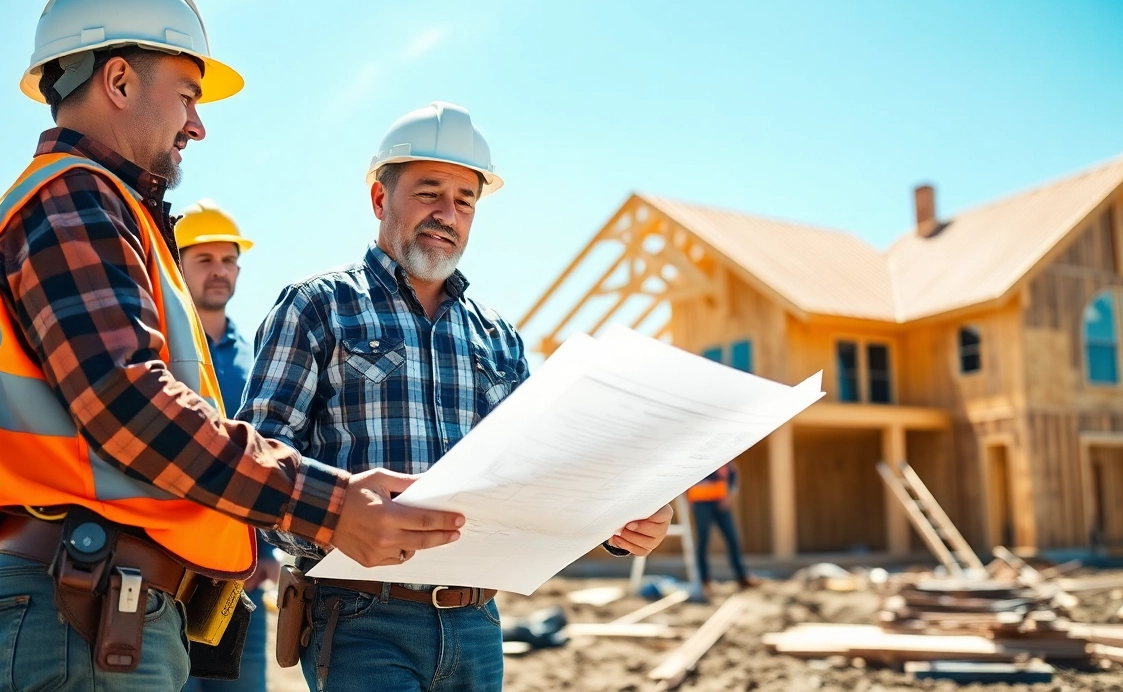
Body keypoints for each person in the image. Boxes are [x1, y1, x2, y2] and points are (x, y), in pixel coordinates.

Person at [0, 0, 461, 691]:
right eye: (188, 96)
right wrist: (332, 505)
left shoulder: (111, 213)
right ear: (120, 80)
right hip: (85, 599)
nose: (197, 124)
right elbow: (129, 404)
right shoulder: (72, 197)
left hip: (102, 597)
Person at [240, 101, 675, 692]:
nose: (448, 214)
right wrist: (338, 521)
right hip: (361, 619)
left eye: (464, 200)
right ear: (379, 200)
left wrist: (616, 519)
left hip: (477, 624)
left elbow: (541, 473)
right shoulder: (316, 307)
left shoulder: (496, 336)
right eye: (428, 193)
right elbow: (261, 463)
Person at [175, 201, 277, 691]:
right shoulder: (160, 348)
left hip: (238, 582)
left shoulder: (260, 356)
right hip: (166, 576)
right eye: (204, 260)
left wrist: (270, 556)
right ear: (177, 264)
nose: (220, 272)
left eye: (228, 260)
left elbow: (270, 454)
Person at [687, 461, 759, 597]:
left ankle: (741, 577)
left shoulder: (722, 455)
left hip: (720, 502)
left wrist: (729, 495)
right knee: (703, 541)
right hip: (700, 503)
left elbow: (732, 475)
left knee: (733, 538)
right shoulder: (695, 457)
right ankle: (704, 581)